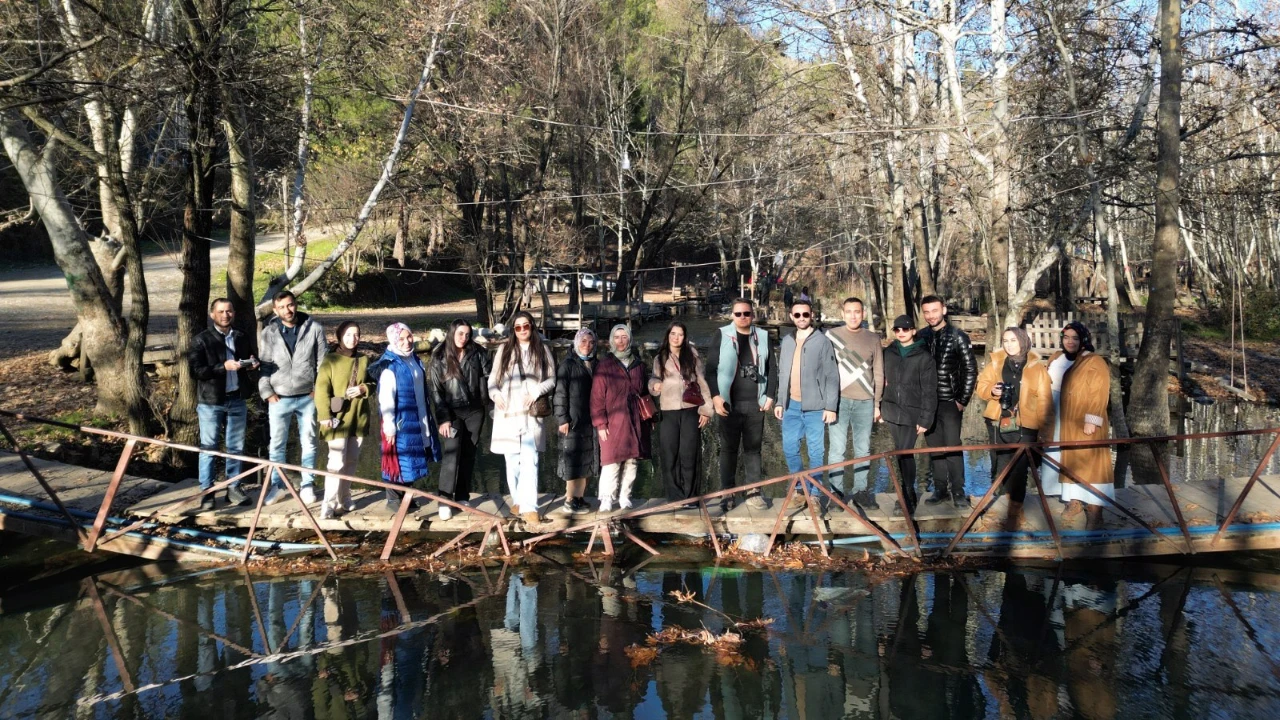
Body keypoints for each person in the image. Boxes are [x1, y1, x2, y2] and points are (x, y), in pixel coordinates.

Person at [705, 298, 778, 510]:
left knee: (753, 450)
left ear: (752, 315)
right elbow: (710, 370)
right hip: (729, 403)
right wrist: (715, 396)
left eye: (747, 313)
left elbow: (772, 369)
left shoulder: (763, 336)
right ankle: (727, 493)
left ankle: (754, 492)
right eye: (738, 314)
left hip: (756, 403)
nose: (743, 317)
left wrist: (770, 395)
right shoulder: (721, 334)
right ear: (732, 315)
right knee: (728, 450)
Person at [975, 327, 1052, 530]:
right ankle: (1009, 508)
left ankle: (1015, 513)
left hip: (1026, 424)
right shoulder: (996, 363)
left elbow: (1045, 401)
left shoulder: (1037, 368)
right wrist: (991, 391)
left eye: (1013, 340)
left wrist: (1046, 431)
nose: (1009, 345)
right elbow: (981, 387)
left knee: (1020, 469)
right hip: (999, 421)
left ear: (1023, 342)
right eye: (1005, 341)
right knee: (1002, 467)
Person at [258, 290, 328, 505]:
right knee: (277, 445)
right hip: (279, 398)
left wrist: (318, 390)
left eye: (290, 305)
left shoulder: (314, 329)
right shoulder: (269, 333)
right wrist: (267, 392)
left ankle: (307, 484)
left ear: (295, 304)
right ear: (275, 310)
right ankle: (278, 485)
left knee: (309, 442)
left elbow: (323, 363)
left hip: (307, 397)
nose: (287, 310)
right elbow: (265, 365)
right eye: (281, 307)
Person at [1041, 321, 1113, 530]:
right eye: (1066, 337)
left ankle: (1095, 509)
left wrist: (1092, 420)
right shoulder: (1057, 357)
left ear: (1083, 340)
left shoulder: (1094, 361)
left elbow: (1099, 392)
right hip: (1059, 417)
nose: (1070, 341)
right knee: (1066, 459)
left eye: (1075, 338)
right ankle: (1073, 501)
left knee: (1090, 463)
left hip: (1082, 418)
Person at [189, 298, 258, 509]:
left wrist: (252, 363)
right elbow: (196, 371)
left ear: (233, 313)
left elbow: (249, 359)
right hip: (211, 401)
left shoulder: (241, 337)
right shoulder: (201, 340)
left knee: (236, 447)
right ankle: (207, 492)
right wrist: (222, 367)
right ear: (212, 315)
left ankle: (233, 488)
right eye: (220, 311)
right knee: (209, 448)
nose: (225, 315)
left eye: (229, 311)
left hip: (236, 398)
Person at [488, 311, 556, 524]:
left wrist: (536, 391)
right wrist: (495, 394)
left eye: (526, 326)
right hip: (508, 413)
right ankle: (518, 500)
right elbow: (493, 379)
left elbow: (552, 378)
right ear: (513, 330)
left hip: (531, 413)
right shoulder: (504, 350)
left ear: (532, 327)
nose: (522, 330)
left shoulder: (542, 349)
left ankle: (530, 507)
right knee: (512, 462)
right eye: (518, 327)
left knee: (531, 460)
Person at [773, 300, 839, 507]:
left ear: (812, 315)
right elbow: (783, 373)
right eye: (797, 315)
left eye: (805, 314)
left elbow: (832, 375)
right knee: (789, 448)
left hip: (815, 407)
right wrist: (780, 401)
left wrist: (830, 406)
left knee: (816, 451)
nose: (801, 318)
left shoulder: (822, 341)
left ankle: (815, 493)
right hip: (790, 405)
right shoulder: (787, 341)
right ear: (791, 317)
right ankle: (800, 487)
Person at [427, 319, 491, 521]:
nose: (464, 338)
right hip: (452, 413)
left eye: (467, 334)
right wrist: (443, 419)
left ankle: (462, 496)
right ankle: (444, 500)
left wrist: (491, 404)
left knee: (469, 454)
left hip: (475, 411)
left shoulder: (478, 352)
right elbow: (436, 391)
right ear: (452, 333)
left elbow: (490, 378)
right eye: (460, 333)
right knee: (452, 454)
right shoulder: (439, 355)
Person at [918, 295, 977, 507]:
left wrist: (962, 400)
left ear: (943, 310)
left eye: (934, 310)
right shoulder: (921, 336)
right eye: (927, 312)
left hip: (951, 401)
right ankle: (940, 489)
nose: (931, 315)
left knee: (952, 447)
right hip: (928, 402)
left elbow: (970, 369)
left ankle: (958, 491)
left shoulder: (958, 337)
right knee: (934, 448)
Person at [826, 297, 884, 508]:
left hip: (865, 402)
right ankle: (836, 494)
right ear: (842, 314)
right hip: (838, 402)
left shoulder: (873, 338)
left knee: (863, 449)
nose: (853, 316)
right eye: (849, 311)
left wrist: (877, 404)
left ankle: (860, 491)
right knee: (837, 450)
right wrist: (827, 403)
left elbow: (878, 372)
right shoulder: (831, 336)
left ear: (863, 314)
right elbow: (824, 370)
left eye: (857, 311)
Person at [377, 323, 440, 511]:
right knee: (398, 458)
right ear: (393, 341)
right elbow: (386, 398)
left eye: (409, 337)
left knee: (412, 458)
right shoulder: (390, 365)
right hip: (400, 421)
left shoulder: (414, 359)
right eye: (401, 339)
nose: (407, 342)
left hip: (417, 416)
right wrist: (389, 427)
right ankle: (393, 501)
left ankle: (406, 497)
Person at [313, 321, 372, 519]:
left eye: (356, 334)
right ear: (339, 337)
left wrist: (363, 388)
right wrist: (324, 416)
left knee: (351, 460)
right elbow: (321, 389)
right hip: (337, 418)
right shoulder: (330, 360)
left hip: (358, 417)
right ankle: (328, 504)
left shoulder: (363, 359)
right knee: (336, 461)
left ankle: (344, 497)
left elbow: (372, 382)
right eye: (348, 334)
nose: (352, 339)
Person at [649, 321, 713, 502]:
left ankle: (691, 496)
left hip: (690, 410)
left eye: (680, 334)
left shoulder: (692, 356)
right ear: (668, 336)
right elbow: (653, 378)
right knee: (669, 454)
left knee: (689, 453)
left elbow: (702, 383)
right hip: (668, 412)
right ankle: (674, 496)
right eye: (673, 334)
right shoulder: (660, 358)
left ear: (685, 337)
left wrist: (706, 410)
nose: (676, 338)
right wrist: (654, 385)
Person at [592, 325, 652, 512]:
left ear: (630, 339)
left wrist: (650, 419)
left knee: (632, 460)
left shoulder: (638, 364)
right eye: (617, 337)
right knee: (611, 461)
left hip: (635, 419)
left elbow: (644, 393)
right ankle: (606, 498)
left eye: (624, 337)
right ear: (612, 340)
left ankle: (625, 496)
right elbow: (597, 397)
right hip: (613, 420)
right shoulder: (605, 365)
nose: (620, 341)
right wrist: (600, 423)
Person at [881, 315, 937, 514]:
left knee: (905, 452)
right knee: (899, 452)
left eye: (905, 329)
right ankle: (906, 492)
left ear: (913, 331)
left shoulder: (924, 357)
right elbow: (879, 379)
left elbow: (929, 390)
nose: (901, 333)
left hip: (912, 413)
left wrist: (926, 418)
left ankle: (906, 495)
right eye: (897, 329)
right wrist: (879, 407)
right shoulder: (888, 353)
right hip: (891, 410)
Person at [555, 328, 599, 515]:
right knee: (572, 461)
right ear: (576, 343)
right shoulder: (567, 365)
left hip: (590, 420)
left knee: (588, 460)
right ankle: (569, 499)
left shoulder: (596, 364)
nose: (587, 345)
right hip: (573, 421)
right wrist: (562, 418)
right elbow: (560, 393)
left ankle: (579, 497)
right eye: (583, 341)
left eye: (591, 342)